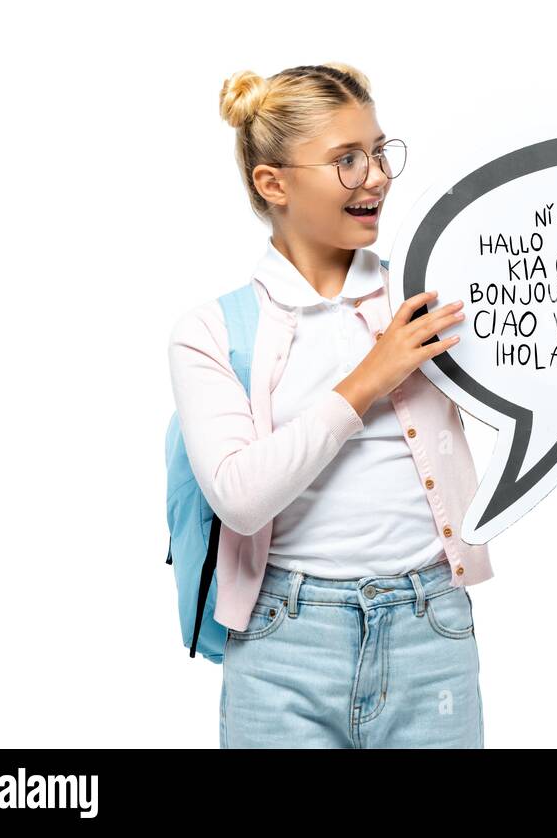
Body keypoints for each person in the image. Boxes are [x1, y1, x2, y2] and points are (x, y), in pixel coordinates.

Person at [168, 62, 492, 748]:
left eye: (378, 151)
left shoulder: (427, 296)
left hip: (430, 626)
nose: (375, 176)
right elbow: (240, 497)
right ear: (273, 182)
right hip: (284, 641)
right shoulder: (213, 332)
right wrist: (371, 376)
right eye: (346, 159)